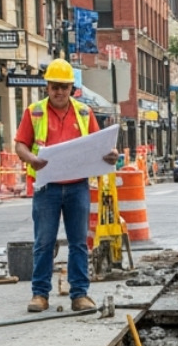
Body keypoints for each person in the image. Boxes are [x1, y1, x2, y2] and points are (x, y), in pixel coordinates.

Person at [14, 58, 120, 315]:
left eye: (63, 86)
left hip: (77, 187)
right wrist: (32, 159)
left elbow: (100, 145)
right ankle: (40, 294)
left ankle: (80, 294)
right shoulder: (34, 112)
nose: (59, 91)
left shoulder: (84, 112)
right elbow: (20, 145)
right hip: (46, 187)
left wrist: (111, 154)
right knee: (43, 242)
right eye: (54, 86)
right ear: (47, 87)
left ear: (71, 88)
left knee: (79, 243)